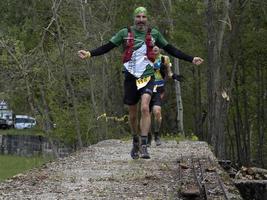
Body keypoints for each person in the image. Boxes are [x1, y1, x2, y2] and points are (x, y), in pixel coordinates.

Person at [78, 7, 203, 159]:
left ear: (147, 19)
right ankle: (135, 140)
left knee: (145, 108)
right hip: (130, 77)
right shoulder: (125, 33)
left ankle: (144, 145)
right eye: (138, 17)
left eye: (144, 17)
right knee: (132, 115)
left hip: (148, 77)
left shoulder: (154, 34)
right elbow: (108, 46)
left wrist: (191, 59)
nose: (141, 20)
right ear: (134, 18)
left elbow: (170, 49)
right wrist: (89, 53)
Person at [148, 46, 184, 146]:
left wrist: (175, 76)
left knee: (157, 113)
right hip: (146, 88)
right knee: (147, 113)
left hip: (159, 89)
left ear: (160, 49)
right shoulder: (145, 57)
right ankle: (148, 136)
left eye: (157, 46)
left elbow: (169, 72)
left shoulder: (165, 59)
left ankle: (156, 134)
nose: (155, 48)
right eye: (152, 46)